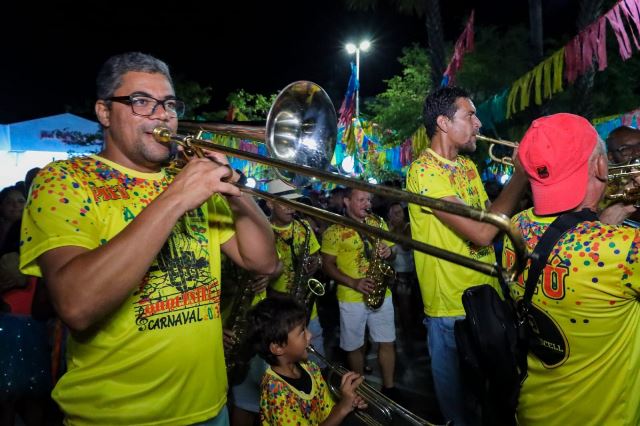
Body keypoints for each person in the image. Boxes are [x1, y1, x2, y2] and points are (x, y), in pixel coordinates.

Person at [19, 52, 278, 426]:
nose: (162, 115)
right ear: (104, 112)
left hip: (210, 409)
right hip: (115, 418)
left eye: (169, 104)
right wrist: (176, 197)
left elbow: (263, 261)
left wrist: (233, 185)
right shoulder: (64, 181)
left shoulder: (190, 179)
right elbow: (76, 305)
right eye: (142, 101)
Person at [501, 113, 640, 425]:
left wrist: (613, 213)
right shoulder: (625, 249)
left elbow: (570, 242)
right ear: (601, 166)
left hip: (534, 411)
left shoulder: (515, 227)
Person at [406, 86, 527, 425]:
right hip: (451, 309)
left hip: (488, 295)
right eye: (470, 115)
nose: (478, 124)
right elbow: (483, 232)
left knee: (496, 402)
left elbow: (492, 219)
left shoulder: (468, 167)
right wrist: (521, 174)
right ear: (443, 123)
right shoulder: (423, 171)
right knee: (459, 415)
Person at [321, 188, 399, 399]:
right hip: (350, 297)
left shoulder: (378, 223)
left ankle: (390, 389)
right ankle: (361, 389)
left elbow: (393, 253)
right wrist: (354, 282)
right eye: (361, 199)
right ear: (347, 201)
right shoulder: (334, 230)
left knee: (387, 341)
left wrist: (389, 252)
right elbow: (327, 265)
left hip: (381, 292)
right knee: (354, 345)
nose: (368, 204)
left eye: (369, 199)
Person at [248, 296, 367, 425]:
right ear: (278, 348)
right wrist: (342, 408)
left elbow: (327, 413)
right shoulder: (275, 394)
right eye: (302, 331)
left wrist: (348, 402)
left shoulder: (310, 368)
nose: (309, 335)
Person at [265, 179, 326, 358]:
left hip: (307, 309)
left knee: (315, 357)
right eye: (285, 203)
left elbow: (317, 257)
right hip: (277, 312)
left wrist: (316, 262)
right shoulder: (263, 230)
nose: (291, 208)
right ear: (270, 203)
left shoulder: (304, 227)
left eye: (294, 202)